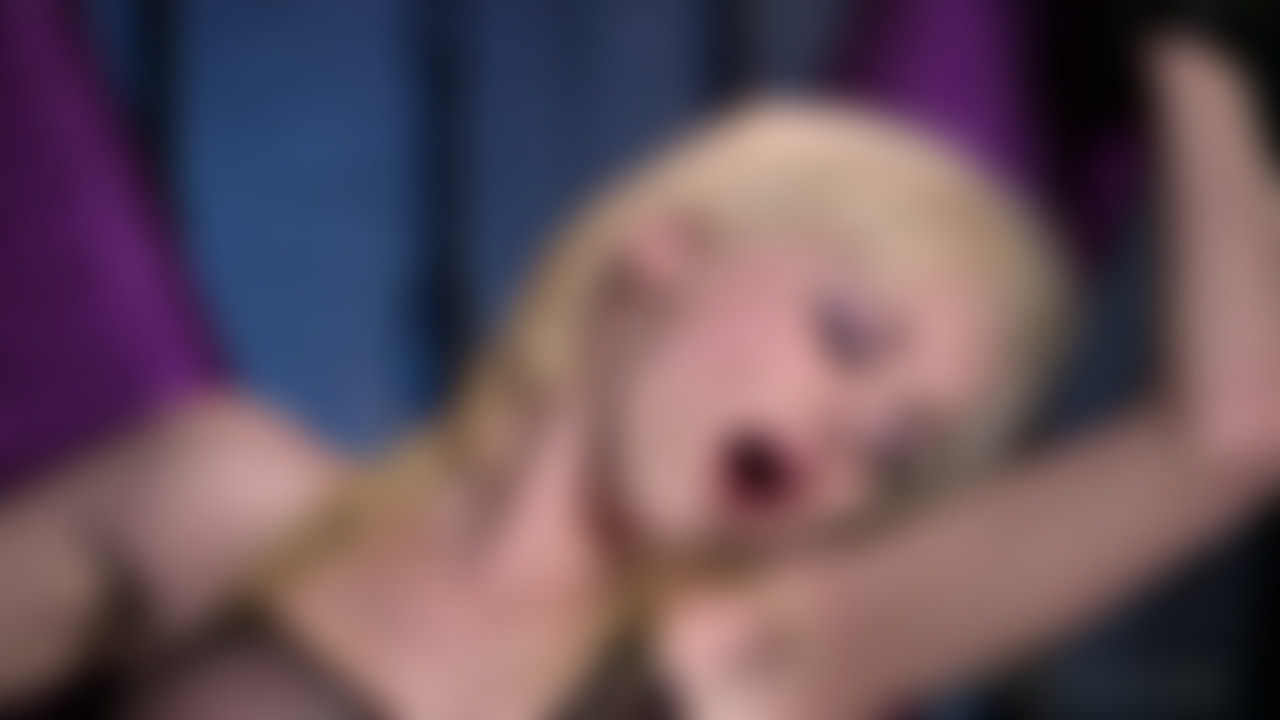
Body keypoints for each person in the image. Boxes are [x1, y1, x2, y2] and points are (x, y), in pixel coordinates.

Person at [0, 30, 1275, 720]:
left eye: (896, 451)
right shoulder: (217, 504)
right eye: (843, 336)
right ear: (666, 247)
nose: (844, 433)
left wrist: (1196, 42)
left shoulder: (756, 664)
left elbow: (1233, 430)